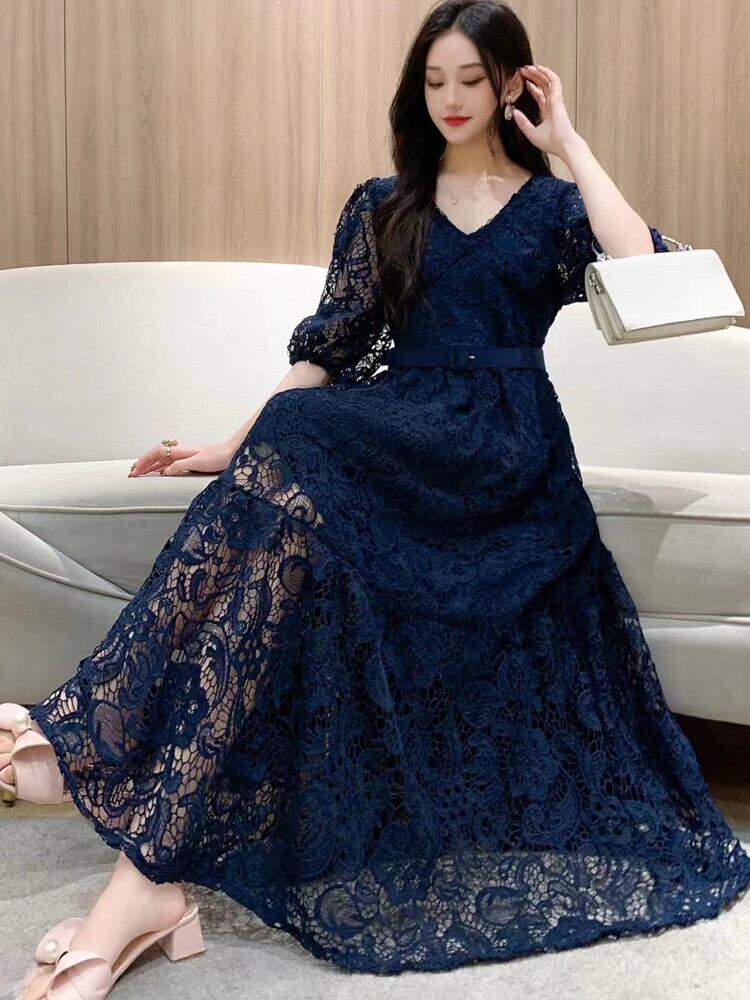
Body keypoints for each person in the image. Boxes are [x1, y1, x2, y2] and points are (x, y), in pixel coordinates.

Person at [4, 0, 750, 992]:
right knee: (292, 453)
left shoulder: (554, 207)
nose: (451, 99)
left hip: (506, 450)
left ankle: (92, 737)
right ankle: (132, 808)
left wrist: (569, 143)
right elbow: (330, 352)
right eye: (434, 81)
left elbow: (644, 267)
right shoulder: (383, 204)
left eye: (471, 80)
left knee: (297, 457)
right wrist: (230, 445)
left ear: (512, 84)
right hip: (403, 428)